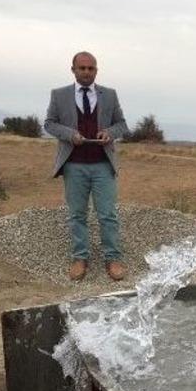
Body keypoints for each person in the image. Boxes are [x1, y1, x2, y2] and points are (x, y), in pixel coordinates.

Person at [44, 51, 128, 281]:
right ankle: (80, 258)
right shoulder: (59, 95)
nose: (86, 72)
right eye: (82, 68)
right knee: (77, 215)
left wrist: (109, 133)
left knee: (108, 214)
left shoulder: (109, 95)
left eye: (91, 68)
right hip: (74, 165)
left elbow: (122, 125)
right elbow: (49, 124)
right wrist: (70, 134)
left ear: (96, 71)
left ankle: (113, 258)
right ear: (73, 70)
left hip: (103, 165)